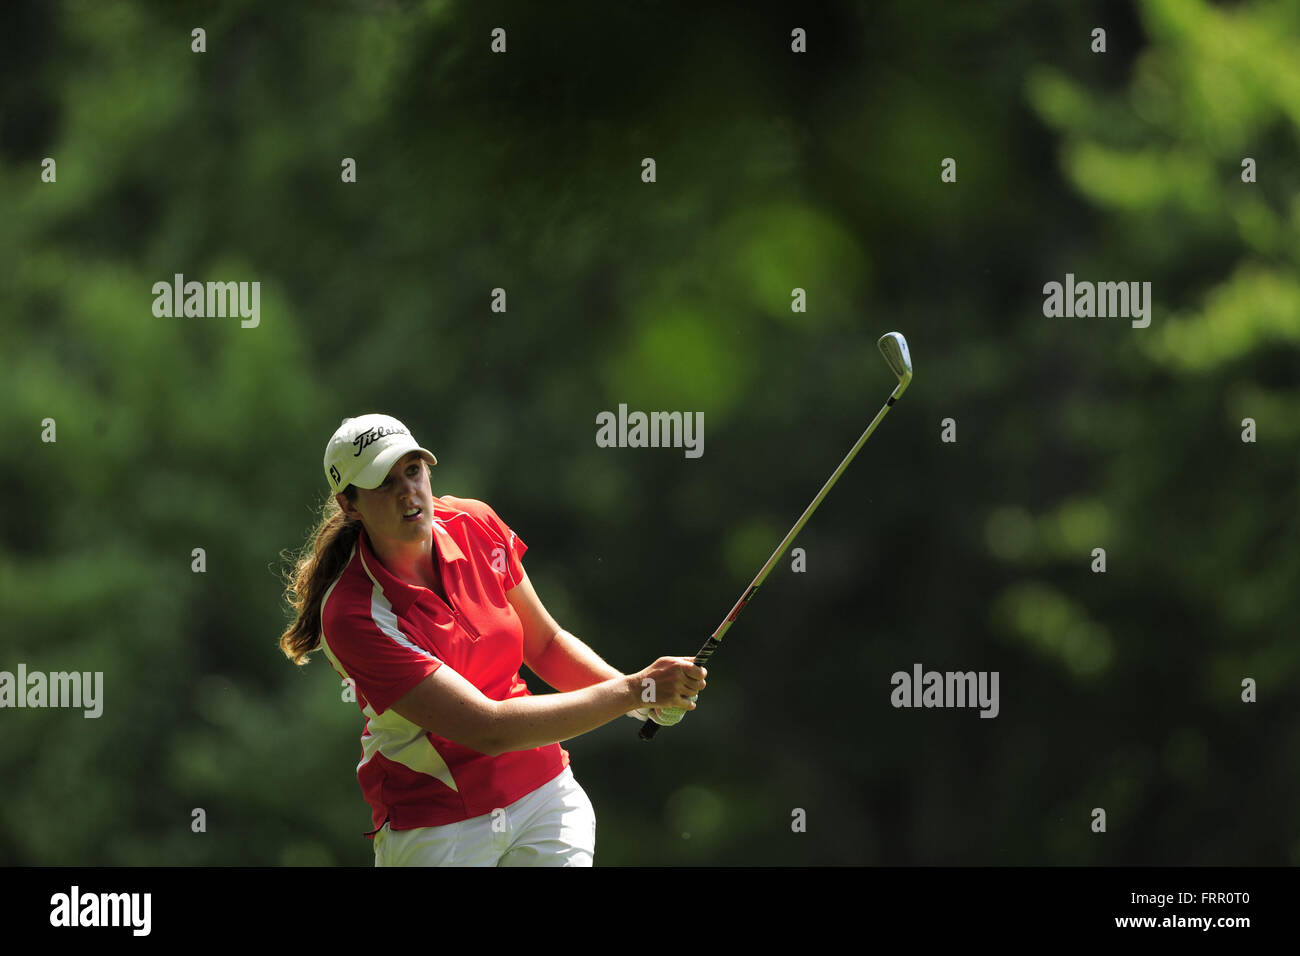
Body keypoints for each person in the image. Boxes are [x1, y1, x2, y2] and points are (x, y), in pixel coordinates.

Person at [279, 413, 705, 866]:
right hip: (437, 827)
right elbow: (489, 730)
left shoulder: (473, 522)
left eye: (412, 470)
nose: (407, 491)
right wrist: (632, 689)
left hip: (544, 796)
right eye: (383, 482)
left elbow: (544, 644)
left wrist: (644, 699)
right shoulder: (352, 614)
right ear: (349, 504)